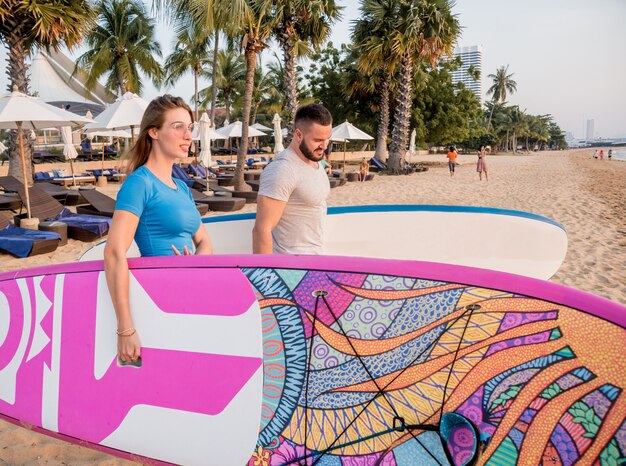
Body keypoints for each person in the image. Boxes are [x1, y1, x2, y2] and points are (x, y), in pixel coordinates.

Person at [104, 95, 213, 365]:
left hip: (189, 294)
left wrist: (194, 266)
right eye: (178, 127)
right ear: (154, 132)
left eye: (190, 128)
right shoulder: (139, 183)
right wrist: (125, 328)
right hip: (157, 300)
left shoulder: (183, 187)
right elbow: (114, 253)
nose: (187, 135)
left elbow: (205, 242)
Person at [253, 103, 333, 254]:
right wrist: (266, 274)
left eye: (327, 139)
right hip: (291, 267)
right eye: (317, 140)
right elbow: (261, 230)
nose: (324, 145)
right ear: (298, 135)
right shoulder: (283, 169)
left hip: (315, 261)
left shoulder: (315, 162)